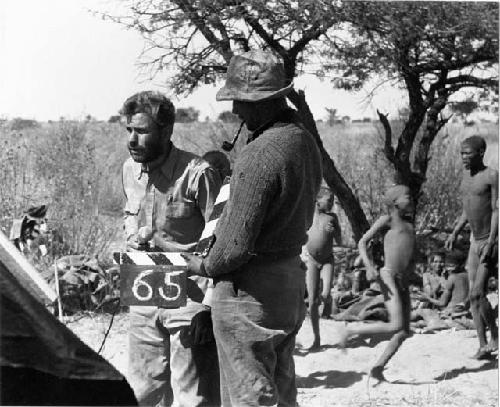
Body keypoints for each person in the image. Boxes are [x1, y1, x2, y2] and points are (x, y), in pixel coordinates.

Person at [182, 50, 322, 406]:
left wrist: (202, 265)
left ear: (262, 103)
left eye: (241, 102)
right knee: (282, 387)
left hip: (250, 294)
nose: (237, 111)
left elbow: (231, 250)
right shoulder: (302, 139)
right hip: (289, 281)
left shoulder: (260, 154)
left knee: (249, 395)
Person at [120, 91, 222, 406]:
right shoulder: (129, 170)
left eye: (142, 131)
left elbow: (218, 241)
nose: (132, 140)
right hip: (144, 288)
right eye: (129, 130)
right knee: (142, 393)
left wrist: (208, 307)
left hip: (189, 296)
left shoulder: (199, 173)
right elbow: (128, 217)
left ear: (166, 131)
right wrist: (133, 237)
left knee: (193, 397)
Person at [338, 184, 416, 384]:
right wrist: (369, 266)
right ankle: (351, 331)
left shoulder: (409, 225)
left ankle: (378, 368)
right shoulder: (387, 220)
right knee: (396, 325)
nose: (412, 199)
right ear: (395, 203)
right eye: (407, 196)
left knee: (404, 331)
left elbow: (409, 254)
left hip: (403, 280)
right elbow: (362, 242)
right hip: (388, 275)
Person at [445, 135, 498, 360]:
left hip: (489, 240)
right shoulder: (466, 177)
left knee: (478, 293)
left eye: (468, 153)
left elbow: (496, 210)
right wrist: (455, 231)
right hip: (474, 241)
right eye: (461, 153)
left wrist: (492, 241)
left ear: (480, 153)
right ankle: (483, 344)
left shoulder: (491, 176)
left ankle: (495, 335)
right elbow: (468, 208)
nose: (463, 157)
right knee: (473, 298)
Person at [304, 187, 341, 350]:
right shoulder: (307, 216)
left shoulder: (332, 218)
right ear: (318, 201)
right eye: (329, 200)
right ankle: (317, 338)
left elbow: (339, 241)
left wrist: (334, 233)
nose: (332, 203)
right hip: (311, 260)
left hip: (327, 260)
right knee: (312, 301)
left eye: (333, 200)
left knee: (325, 294)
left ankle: (326, 298)